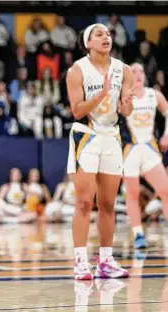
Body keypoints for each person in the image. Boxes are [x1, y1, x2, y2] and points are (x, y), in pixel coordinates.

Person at [66, 23, 134, 280]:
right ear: (88, 43)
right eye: (99, 34)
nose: (106, 37)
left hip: (112, 136)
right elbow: (77, 110)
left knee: (108, 203)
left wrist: (126, 105)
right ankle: (81, 262)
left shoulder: (123, 70)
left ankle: (106, 261)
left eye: (108, 34)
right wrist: (102, 94)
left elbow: (125, 111)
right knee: (84, 202)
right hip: (86, 136)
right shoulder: (77, 70)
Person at [121, 63, 168, 249]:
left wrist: (166, 134)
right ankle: (138, 234)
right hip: (130, 151)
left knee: (165, 191)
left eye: (141, 71)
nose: (138, 74)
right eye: (134, 71)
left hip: (149, 149)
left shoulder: (153, 94)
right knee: (132, 195)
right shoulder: (123, 96)